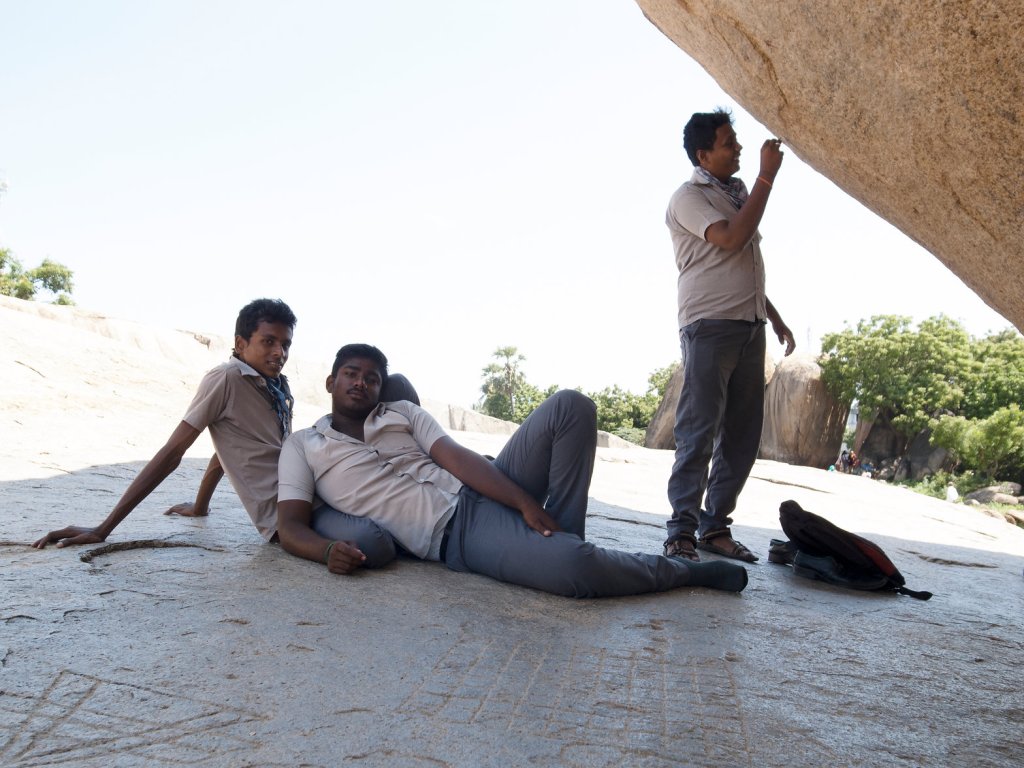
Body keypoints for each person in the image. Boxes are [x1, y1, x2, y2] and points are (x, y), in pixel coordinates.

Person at [275, 344, 749, 598]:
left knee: (571, 406)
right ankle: (681, 573)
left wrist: (523, 501)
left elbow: (456, 457)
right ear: (331, 381)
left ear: (381, 388)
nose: (361, 383)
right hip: (455, 532)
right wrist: (327, 550)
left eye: (371, 378)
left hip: (487, 483)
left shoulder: (402, 412)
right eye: (351, 374)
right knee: (576, 571)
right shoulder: (304, 446)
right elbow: (291, 525)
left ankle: (563, 533)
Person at [32, 299, 418, 560]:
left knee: (395, 384)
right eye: (268, 342)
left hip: (314, 481)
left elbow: (227, 449)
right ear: (240, 343)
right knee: (375, 543)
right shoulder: (225, 379)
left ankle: (421, 470)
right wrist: (104, 528)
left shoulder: (272, 384)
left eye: (285, 344)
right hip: (291, 513)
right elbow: (173, 452)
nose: (279, 353)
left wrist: (201, 505)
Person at [662, 109, 796, 564]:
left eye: (737, 141)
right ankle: (681, 531)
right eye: (728, 143)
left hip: (749, 325)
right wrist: (766, 177)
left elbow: (741, 264)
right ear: (703, 155)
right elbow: (731, 239)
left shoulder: (734, 194)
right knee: (698, 431)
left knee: (741, 435)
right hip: (708, 325)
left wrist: (773, 316)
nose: (738, 149)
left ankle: (715, 527)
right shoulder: (688, 197)